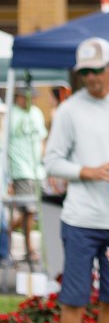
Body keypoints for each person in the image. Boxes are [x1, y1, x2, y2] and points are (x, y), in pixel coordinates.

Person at [43, 37, 109, 323]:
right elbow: (51, 161)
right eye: (85, 72)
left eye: (96, 70)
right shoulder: (69, 110)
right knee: (74, 301)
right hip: (80, 221)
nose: (91, 77)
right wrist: (87, 172)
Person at [6, 83, 46, 265]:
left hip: (37, 170)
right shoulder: (11, 114)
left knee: (32, 210)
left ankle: (5, 232)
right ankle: (30, 250)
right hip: (20, 169)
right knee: (28, 210)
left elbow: (42, 139)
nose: (31, 100)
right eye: (28, 97)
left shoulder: (36, 113)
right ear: (19, 96)